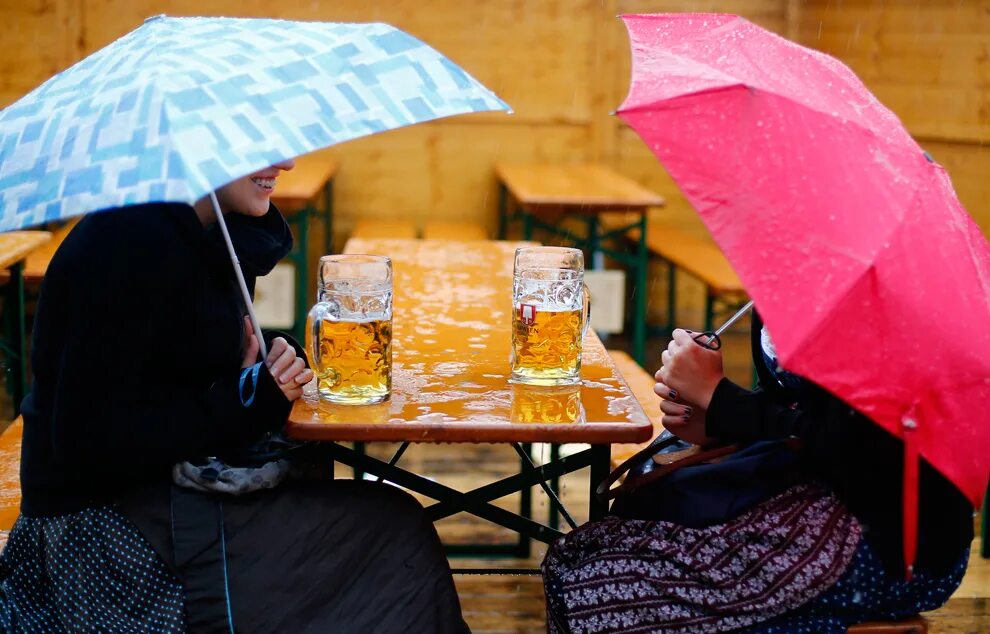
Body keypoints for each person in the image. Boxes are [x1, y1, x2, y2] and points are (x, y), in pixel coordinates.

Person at [0, 160, 469, 633]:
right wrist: (244, 402)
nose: (284, 162)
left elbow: (167, 376)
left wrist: (252, 376)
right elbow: (88, 440)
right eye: (262, 146)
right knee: (393, 534)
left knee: (387, 525)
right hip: (106, 535)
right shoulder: (130, 241)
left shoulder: (204, 232)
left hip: (164, 495)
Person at [542, 311, 973, 633]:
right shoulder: (791, 279)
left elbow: (865, 450)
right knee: (577, 555)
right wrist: (713, 422)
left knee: (595, 586)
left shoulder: (889, 313)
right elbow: (796, 409)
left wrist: (721, 398)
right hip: (805, 497)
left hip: (891, 541)